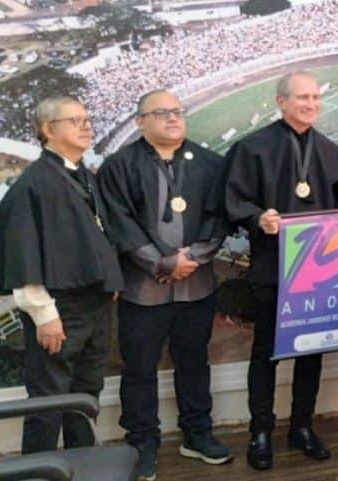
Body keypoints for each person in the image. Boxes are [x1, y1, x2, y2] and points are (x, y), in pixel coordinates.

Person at [224, 71, 338, 470]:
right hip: (273, 269)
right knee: (266, 354)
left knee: (310, 352)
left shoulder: (327, 149)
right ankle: (260, 430)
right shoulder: (252, 148)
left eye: (315, 98)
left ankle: (302, 426)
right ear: (281, 101)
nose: (311, 104)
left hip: (317, 273)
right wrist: (259, 219)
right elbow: (235, 203)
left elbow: (337, 199)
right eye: (302, 97)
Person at [97, 90, 232, 479]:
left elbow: (219, 216)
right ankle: (142, 442)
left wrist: (195, 257)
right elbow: (118, 221)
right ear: (141, 122)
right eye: (162, 113)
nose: (173, 119)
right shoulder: (119, 166)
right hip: (144, 290)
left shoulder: (209, 162)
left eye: (177, 112)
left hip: (197, 286)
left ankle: (197, 434)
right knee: (139, 368)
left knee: (194, 362)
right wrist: (161, 262)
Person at [0, 96, 123, 454]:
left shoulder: (79, 175)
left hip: (91, 306)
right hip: (59, 311)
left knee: (84, 397)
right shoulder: (35, 183)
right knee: (47, 404)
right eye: (75, 120)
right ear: (48, 129)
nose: (87, 125)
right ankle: (36, 474)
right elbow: (24, 254)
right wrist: (45, 315)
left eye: (87, 119)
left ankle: (84, 467)